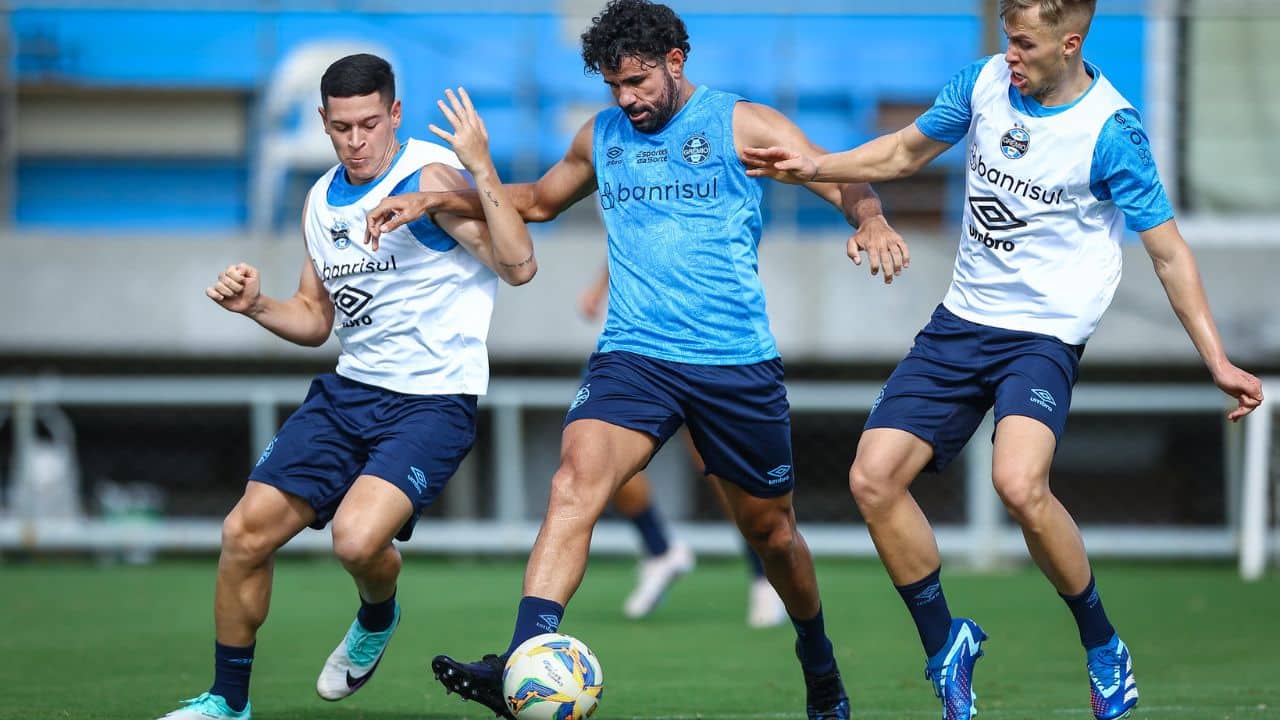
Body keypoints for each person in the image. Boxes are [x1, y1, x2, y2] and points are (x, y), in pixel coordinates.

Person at [365, 2, 908, 717]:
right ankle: (524, 659)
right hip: (635, 355)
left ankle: (820, 662)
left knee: (773, 534)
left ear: (675, 61)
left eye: (637, 81)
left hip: (733, 364)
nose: (626, 99)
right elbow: (536, 200)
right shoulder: (603, 135)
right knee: (573, 484)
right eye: (613, 85)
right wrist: (438, 197)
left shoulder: (742, 124)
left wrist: (869, 219)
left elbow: (838, 176)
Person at [743, 1, 1265, 719]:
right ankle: (945, 645)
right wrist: (817, 167)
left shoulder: (1112, 132)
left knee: (1019, 485)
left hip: (1044, 335)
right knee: (872, 479)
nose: (1009, 53)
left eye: (1023, 43)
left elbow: (1169, 254)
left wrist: (1217, 359)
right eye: (1005, 38)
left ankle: (1104, 644)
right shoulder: (984, 83)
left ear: (1069, 43)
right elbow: (903, 152)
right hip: (961, 324)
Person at [156, 54, 536, 720]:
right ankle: (226, 703)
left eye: (368, 124)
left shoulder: (430, 175)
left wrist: (478, 168)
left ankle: (377, 615)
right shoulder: (320, 199)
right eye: (341, 128)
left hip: (432, 403)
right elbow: (314, 319)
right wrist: (256, 308)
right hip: (347, 394)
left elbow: (519, 265)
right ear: (325, 124)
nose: (356, 141)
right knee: (244, 534)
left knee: (357, 542)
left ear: (394, 114)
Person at [580, 266, 788, 627]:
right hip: (638, 343)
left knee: (720, 468)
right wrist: (600, 287)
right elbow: (627, 220)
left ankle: (762, 577)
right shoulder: (607, 207)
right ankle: (660, 550)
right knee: (598, 456)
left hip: (703, 339)